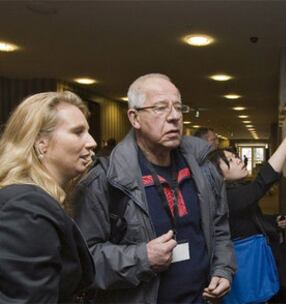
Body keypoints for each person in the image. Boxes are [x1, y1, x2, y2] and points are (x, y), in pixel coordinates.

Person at [74, 73, 236, 303]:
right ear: (135, 118)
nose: (174, 117)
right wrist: (142, 258)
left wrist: (223, 269)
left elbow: (219, 227)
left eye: (179, 108)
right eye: (160, 108)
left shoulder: (203, 168)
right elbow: (84, 259)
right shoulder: (106, 180)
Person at [0, 91, 97, 303]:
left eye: (88, 132)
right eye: (78, 132)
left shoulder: (32, 200)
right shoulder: (25, 208)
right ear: (41, 143)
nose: (92, 142)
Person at [208, 112, 286, 303]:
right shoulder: (226, 197)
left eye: (234, 156)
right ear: (218, 175)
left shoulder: (235, 190)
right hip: (246, 267)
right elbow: (262, 183)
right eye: (229, 161)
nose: (237, 160)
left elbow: (246, 218)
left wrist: (272, 221)